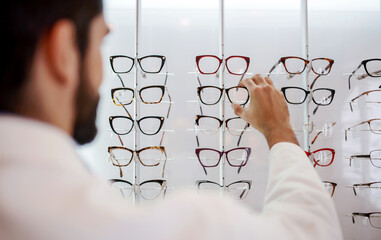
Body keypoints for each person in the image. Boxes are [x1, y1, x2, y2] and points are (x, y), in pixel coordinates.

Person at [0, 1, 342, 239]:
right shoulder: (183, 227)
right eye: (101, 43)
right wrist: (279, 131)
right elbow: (310, 232)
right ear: (63, 50)